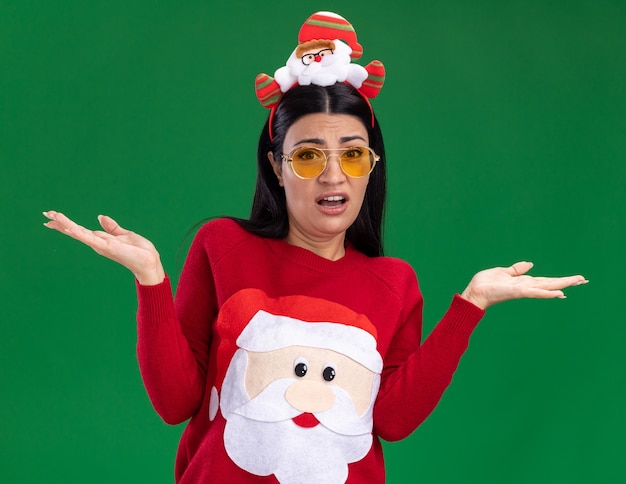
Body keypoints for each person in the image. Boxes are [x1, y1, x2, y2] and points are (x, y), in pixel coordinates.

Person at [42, 11, 587, 484]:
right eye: (308, 156)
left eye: (353, 156)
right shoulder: (222, 246)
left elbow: (391, 422)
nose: (333, 176)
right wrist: (151, 281)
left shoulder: (394, 282)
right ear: (277, 167)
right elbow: (175, 404)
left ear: (372, 168)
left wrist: (471, 304)